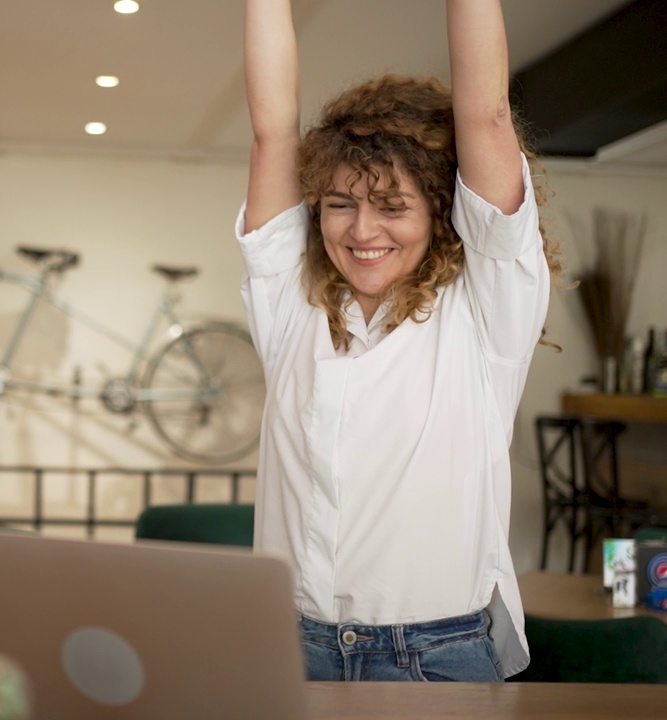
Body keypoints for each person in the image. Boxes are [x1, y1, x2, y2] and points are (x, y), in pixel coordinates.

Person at [238, 0, 564, 681]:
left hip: (435, 657)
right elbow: (273, 134)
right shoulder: (291, 307)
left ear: (442, 211)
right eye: (340, 203)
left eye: (392, 207)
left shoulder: (482, 312)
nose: (362, 231)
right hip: (289, 647)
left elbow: (487, 115)